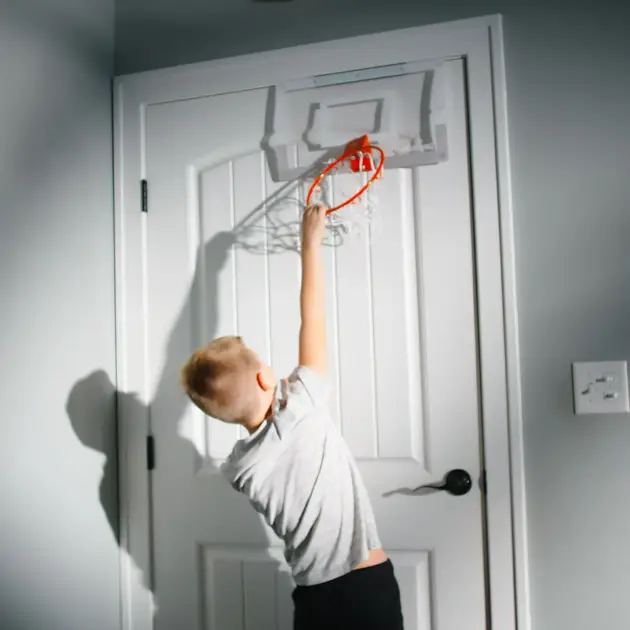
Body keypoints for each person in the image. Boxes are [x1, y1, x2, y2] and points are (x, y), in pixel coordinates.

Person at [181, 203, 404, 629]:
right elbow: (312, 320)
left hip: (312, 597)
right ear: (267, 377)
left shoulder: (239, 469)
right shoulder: (301, 406)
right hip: (364, 584)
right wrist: (310, 242)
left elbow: (228, 391)